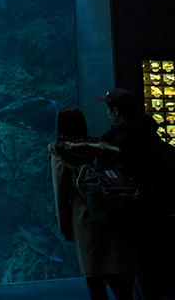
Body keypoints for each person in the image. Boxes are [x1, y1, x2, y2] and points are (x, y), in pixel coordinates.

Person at [49, 107, 135, 300]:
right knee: (112, 270)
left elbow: (60, 193)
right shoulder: (100, 147)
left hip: (83, 220)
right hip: (110, 212)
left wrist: (64, 226)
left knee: (93, 273)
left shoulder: (61, 153)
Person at [99, 88, 174, 300]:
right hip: (162, 215)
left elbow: (114, 183)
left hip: (134, 219)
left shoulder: (116, 144)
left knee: (140, 273)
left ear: (115, 110)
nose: (107, 113)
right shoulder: (152, 139)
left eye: (108, 108)